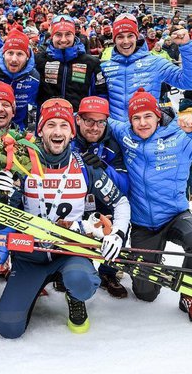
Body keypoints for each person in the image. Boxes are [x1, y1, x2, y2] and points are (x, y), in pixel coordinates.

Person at [0, 98, 130, 338]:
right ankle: (31, 290)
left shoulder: (84, 166)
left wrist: (117, 233)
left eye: (64, 126)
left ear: (71, 131)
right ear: (41, 130)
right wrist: (1, 195)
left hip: (70, 252)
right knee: (9, 328)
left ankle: (75, 296)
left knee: (81, 281)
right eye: (51, 125)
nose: (57, 132)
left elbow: (121, 202)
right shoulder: (22, 166)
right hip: (30, 256)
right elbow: (3, 220)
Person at [109, 88, 192, 325]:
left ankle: (191, 295)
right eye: (136, 118)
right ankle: (147, 261)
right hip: (142, 224)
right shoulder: (124, 133)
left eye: (148, 116)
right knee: (145, 294)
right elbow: (98, 119)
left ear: (158, 116)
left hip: (176, 214)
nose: (142, 122)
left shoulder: (180, 137)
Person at [70, 96, 129, 298]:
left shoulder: (113, 144)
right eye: (89, 121)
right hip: (73, 200)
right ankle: (69, 269)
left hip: (102, 200)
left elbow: (124, 185)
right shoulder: (66, 137)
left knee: (121, 215)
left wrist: (103, 168)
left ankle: (109, 272)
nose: (95, 127)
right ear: (78, 119)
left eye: (101, 122)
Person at [102, 13, 192, 120]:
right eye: (120, 37)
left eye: (130, 36)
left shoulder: (155, 63)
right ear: (114, 40)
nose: (126, 41)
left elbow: (190, 82)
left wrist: (186, 46)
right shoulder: (105, 67)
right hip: (115, 133)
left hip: (146, 132)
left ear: (137, 37)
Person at [33, 16, 106, 110]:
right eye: (58, 34)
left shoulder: (91, 63)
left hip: (79, 121)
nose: (63, 40)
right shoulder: (39, 60)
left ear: (74, 35)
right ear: (52, 36)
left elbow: (101, 94)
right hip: (48, 121)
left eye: (68, 34)